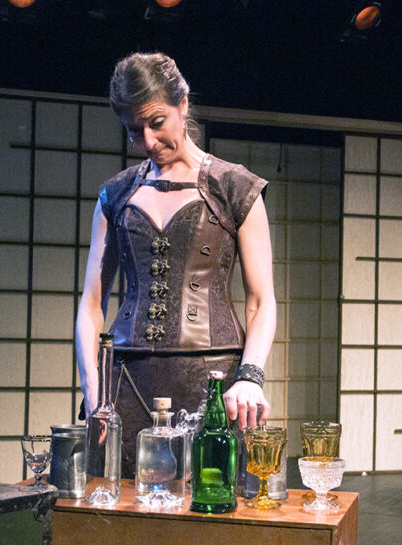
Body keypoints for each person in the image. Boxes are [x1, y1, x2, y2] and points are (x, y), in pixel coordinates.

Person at [75, 52, 276, 478]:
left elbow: (261, 302)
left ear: (182, 104)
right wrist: (93, 391)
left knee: (209, 501)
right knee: (117, 504)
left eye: (156, 122)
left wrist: (250, 377)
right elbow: (92, 303)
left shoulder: (234, 188)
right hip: (125, 386)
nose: (147, 141)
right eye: (134, 130)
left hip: (215, 384)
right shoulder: (116, 195)